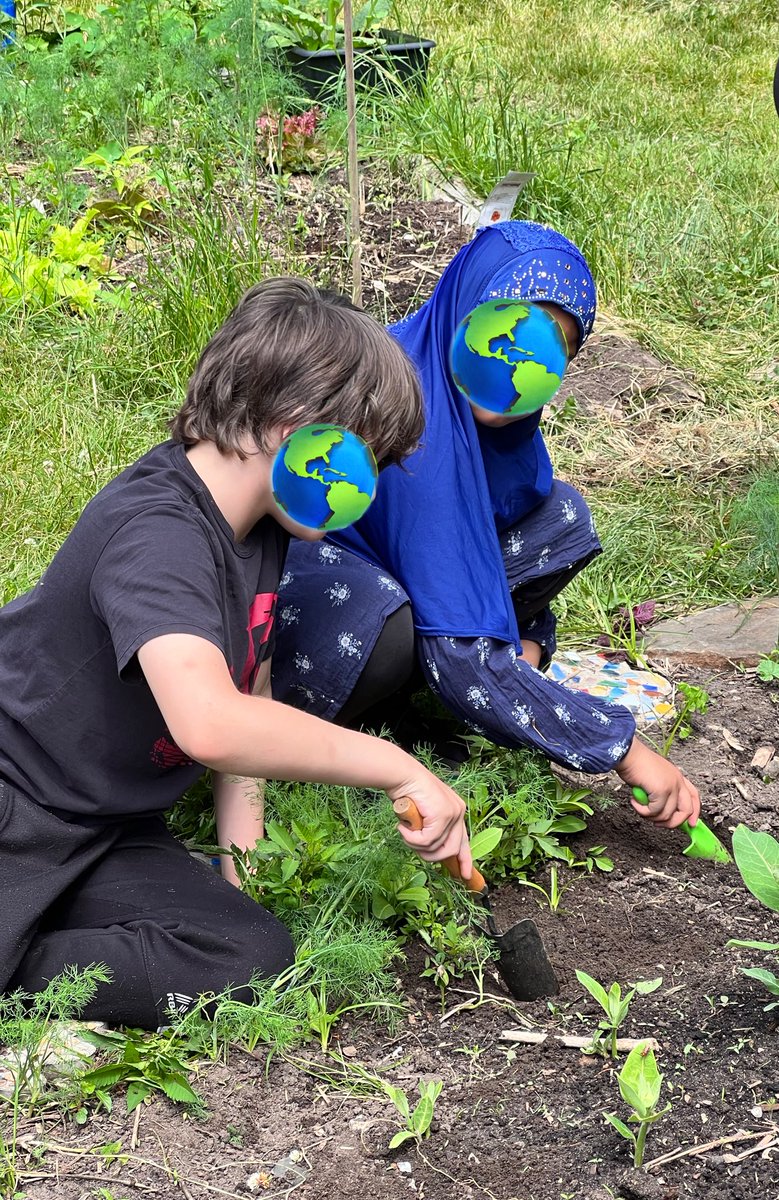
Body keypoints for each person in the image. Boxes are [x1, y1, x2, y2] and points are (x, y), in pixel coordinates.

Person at [0, 278, 472, 1030]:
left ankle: (32, 950)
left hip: (105, 827)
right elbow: (211, 724)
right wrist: (399, 767)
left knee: (247, 953)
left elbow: (249, 692)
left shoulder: (260, 529)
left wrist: (237, 875)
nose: (370, 487)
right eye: (365, 459)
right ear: (294, 428)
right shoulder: (158, 532)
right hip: (16, 802)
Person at [272, 223, 701, 830]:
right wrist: (622, 749)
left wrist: (529, 635)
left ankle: (434, 696)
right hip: (305, 605)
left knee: (561, 518)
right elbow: (461, 656)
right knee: (383, 617)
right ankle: (332, 742)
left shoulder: (491, 421)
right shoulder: (410, 414)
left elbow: (482, 542)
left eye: (553, 348)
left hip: (404, 566)